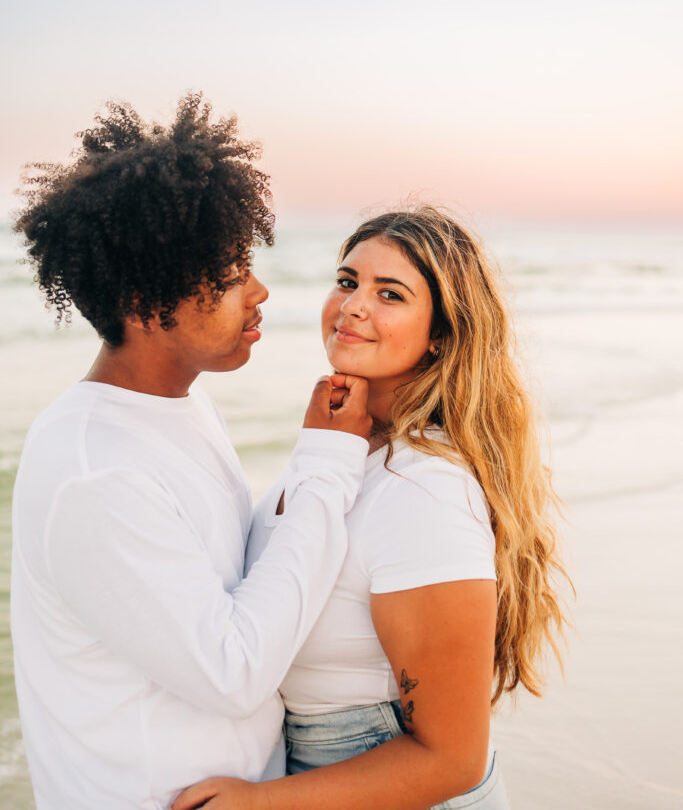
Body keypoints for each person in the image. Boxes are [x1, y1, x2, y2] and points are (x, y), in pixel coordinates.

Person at [10, 94, 373, 810]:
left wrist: (316, 456)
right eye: (231, 271)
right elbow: (232, 670)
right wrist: (327, 468)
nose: (259, 290)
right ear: (147, 300)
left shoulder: (178, 405)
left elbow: (234, 574)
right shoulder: (96, 469)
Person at [174, 206, 569, 810]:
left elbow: (452, 759)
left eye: (390, 293)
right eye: (347, 281)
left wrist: (258, 803)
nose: (354, 305)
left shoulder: (424, 488)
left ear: (441, 331)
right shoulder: (345, 446)